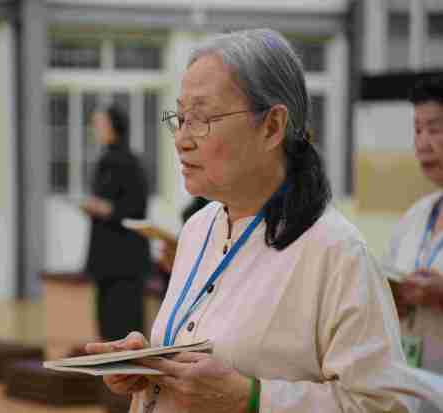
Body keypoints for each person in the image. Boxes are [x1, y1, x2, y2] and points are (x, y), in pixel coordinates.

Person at [86, 29, 415, 413]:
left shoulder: (336, 253)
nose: (181, 139)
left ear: (272, 126)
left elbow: (384, 406)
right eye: (181, 117)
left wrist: (253, 398)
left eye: (201, 118)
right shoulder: (198, 229)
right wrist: (153, 364)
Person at [382, 75, 443, 413]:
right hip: (414, 391)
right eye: (417, 130)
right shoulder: (416, 216)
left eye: (434, 129)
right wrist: (393, 298)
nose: (422, 143)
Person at [81, 103, 151, 341]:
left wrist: (107, 209)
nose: (95, 129)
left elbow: (136, 208)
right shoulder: (105, 160)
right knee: (106, 329)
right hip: (105, 262)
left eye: (100, 124)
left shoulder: (129, 162)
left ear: (114, 127)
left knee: (125, 328)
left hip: (125, 262)